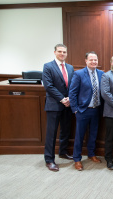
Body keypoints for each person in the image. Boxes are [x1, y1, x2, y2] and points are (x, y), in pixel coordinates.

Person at [69, 51, 104, 171]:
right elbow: (72, 93)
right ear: (86, 61)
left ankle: (91, 154)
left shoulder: (101, 74)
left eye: (95, 60)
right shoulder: (78, 74)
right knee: (79, 136)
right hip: (83, 110)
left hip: (97, 109)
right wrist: (75, 110)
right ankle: (77, 159)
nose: (94, 62)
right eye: (91, 60)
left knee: (93, 134)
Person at [42, 44, 74, 172]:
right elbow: (48, 86)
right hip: (54, 104)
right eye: (60, 51)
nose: (62, 53)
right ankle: (49, 160)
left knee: (66, 130)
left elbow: (73, 85)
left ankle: (63, 152)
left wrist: (70, 99)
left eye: (64, 52)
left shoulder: (70, 67)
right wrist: (62, 99)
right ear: (55, 52)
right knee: (51, 133)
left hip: (68, 105)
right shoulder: (48, 66)